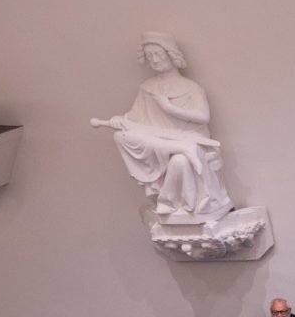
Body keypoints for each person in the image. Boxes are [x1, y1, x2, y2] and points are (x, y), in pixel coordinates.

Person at [90, 31, 232, 221]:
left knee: (180, 162)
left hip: (190, 138)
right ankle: (176, 149)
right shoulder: (146, 87)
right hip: (158, 142)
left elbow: (203, 117)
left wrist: (169, 108)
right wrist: (120, 119)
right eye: (150, 57)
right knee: (120, 136)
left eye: (158, 54)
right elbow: (136, 119)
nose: (155, 60)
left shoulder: (190, 87)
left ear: (171, 54)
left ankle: (170, 202)